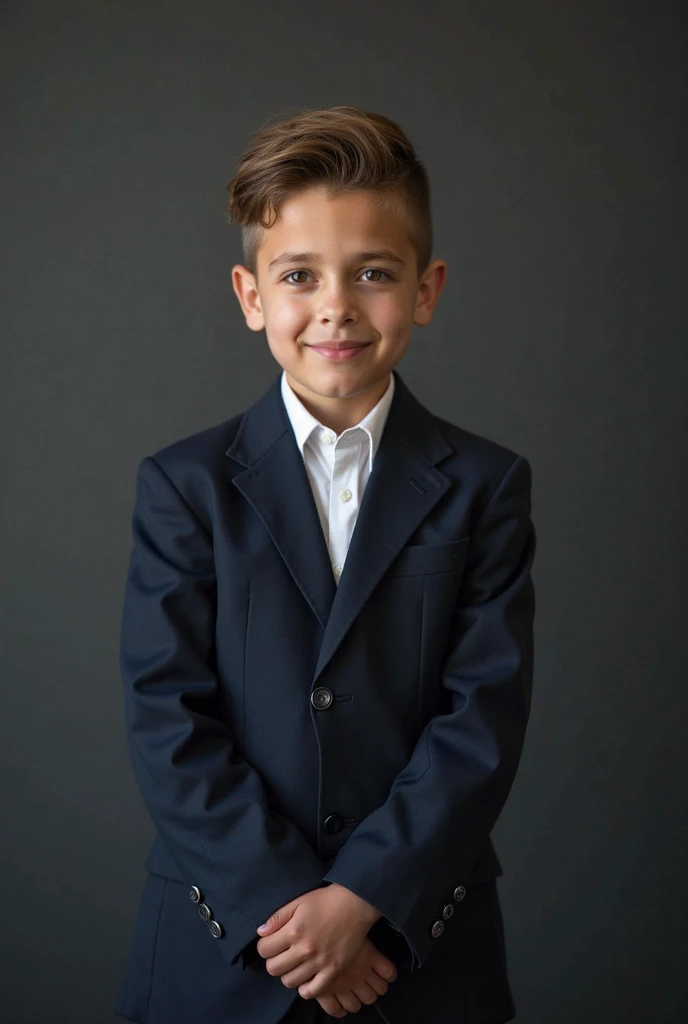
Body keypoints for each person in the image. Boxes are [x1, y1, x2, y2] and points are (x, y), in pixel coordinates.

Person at [114, 105, 536, 1024]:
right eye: (299, 275)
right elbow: (165, 714)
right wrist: (292, 916)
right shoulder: (183, 486)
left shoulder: (486, 485)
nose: (336, 305)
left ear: (425, 290)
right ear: (251, 295)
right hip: (219, 951)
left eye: (374, 273)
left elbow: (483, 720)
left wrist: (364, 902)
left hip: (419, 954)